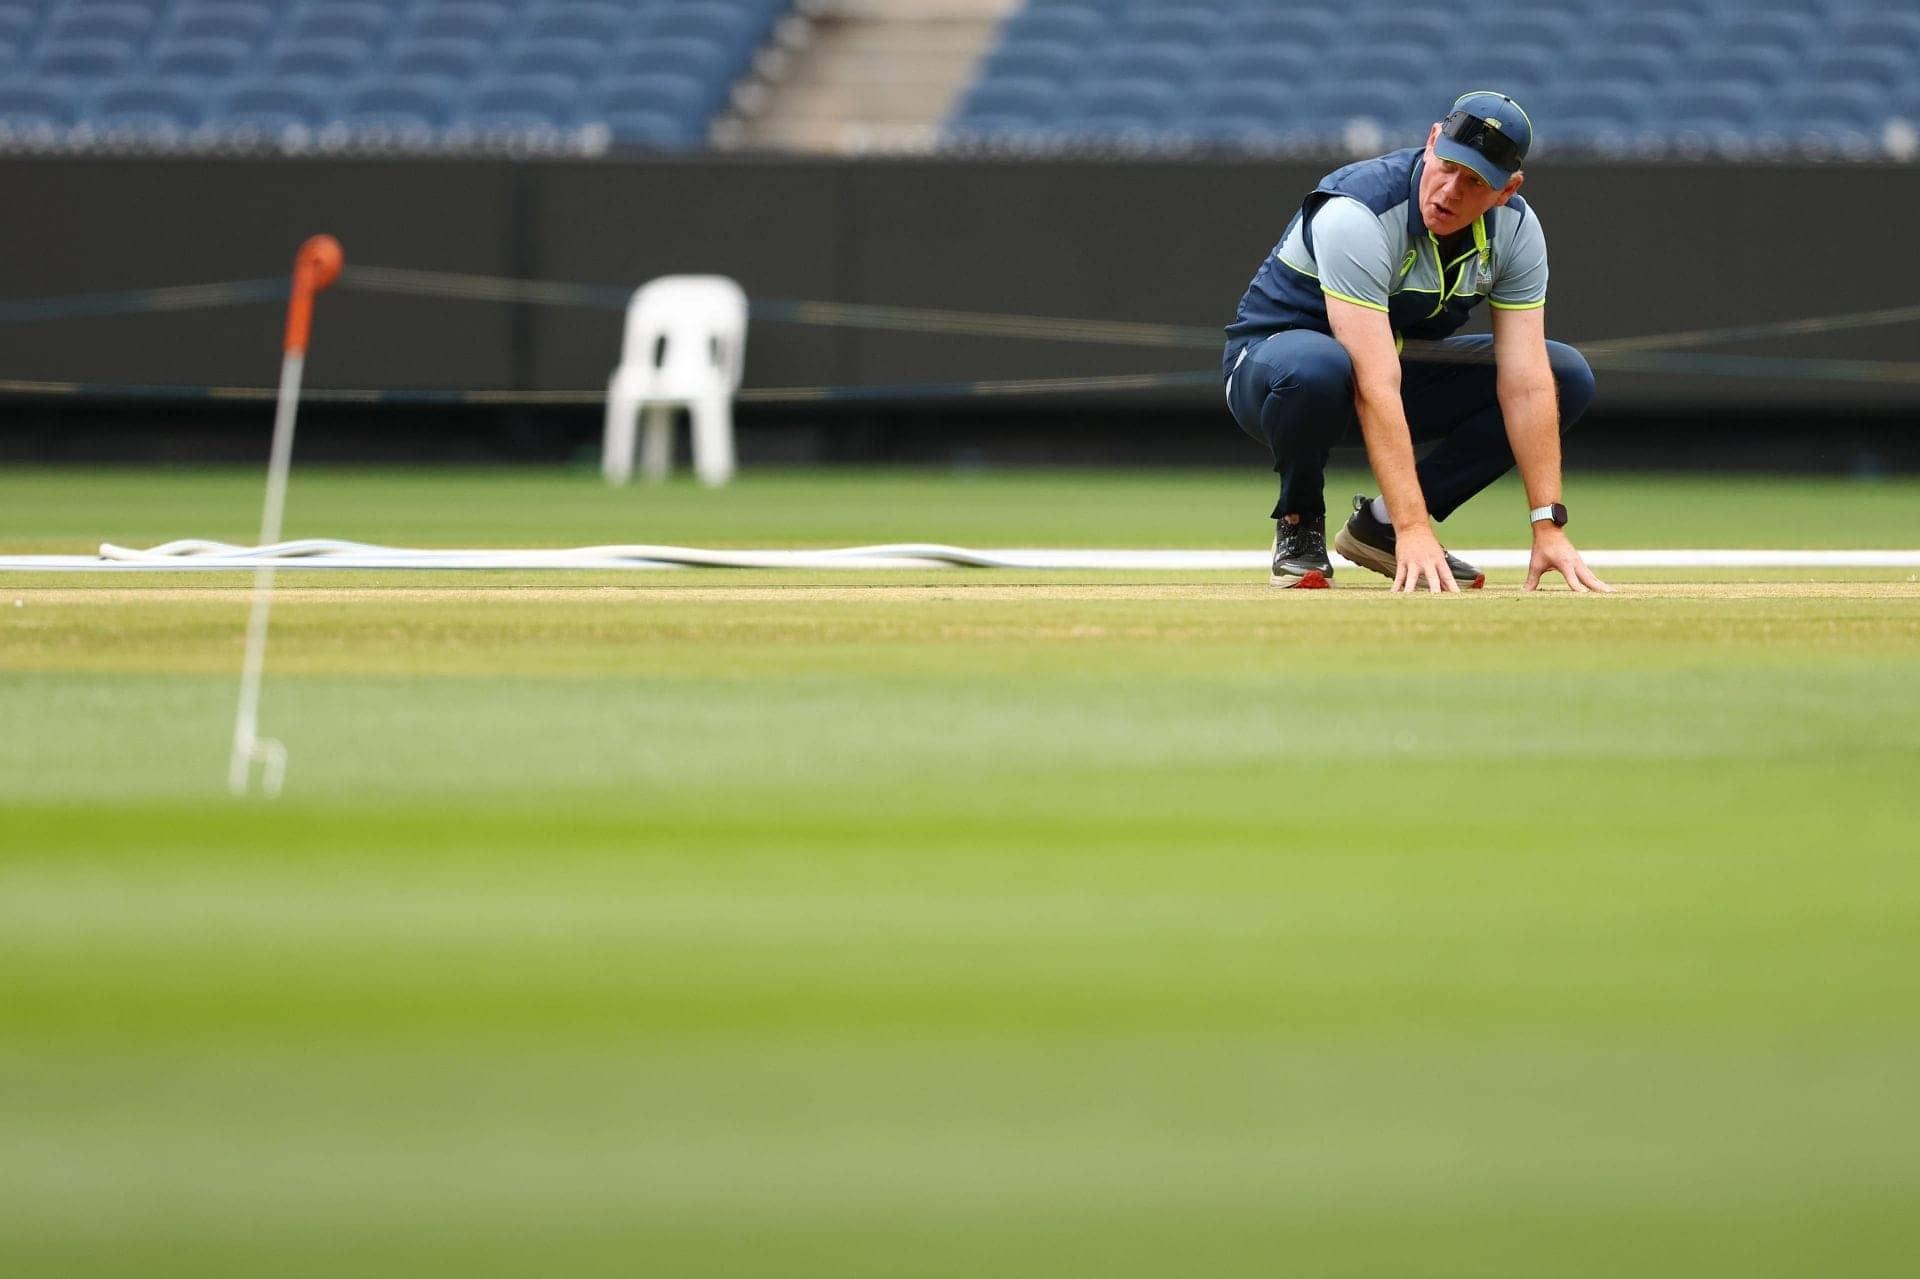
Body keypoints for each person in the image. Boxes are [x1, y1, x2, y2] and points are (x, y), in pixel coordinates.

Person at [1222, 90, 1610, 593]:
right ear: (1431, 141)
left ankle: (1378, 527)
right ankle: (1300, 523)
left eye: (1474, 182)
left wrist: (1548, 526)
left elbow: (1527, 382)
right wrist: (1416, 529)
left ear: (1507, 190)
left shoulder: (1516, 233)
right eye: (1446, 165)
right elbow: (1374, 380)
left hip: (1390, 369)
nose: (1449, 191)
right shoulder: (1357, 212)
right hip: (1273, 373)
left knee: (1563, 377)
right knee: (1319, 367)